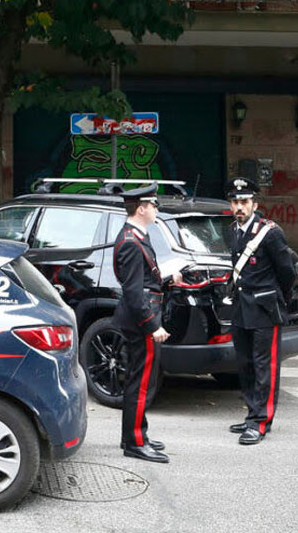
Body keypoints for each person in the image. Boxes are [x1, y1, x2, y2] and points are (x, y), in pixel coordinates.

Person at [111, 183, 183, 464]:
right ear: (140, 208)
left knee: (140, 381)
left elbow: (143, 280)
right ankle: (135, 442)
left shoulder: (137, 235)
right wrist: (153, 326)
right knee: (141, 384)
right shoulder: (130, 241)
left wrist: (165, 278)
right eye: (153, 205)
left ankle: (135, 434)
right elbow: (132, 292)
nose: (156, 209)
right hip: (141, 324)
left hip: (141, 319)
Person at [225, 176, 298, 445]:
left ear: (255, 203)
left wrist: (278, 300)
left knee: (264, 366)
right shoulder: (234, 230)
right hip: (242, 309)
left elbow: (287, 273)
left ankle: (261, 422)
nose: (239, 206)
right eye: (235, 202)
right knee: (245, 365)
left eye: (244, 201)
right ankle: (251, 415)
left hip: (265, 310)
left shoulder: (270, 232)